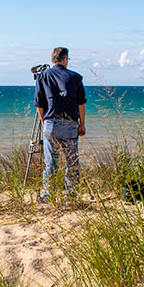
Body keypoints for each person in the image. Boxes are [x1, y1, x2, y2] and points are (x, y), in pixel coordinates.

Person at [33, 46, 87, 202]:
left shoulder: (43, 76)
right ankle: (71, 196)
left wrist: (45, 123)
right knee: (72, 162)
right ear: (65, 60)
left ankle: (49, 196)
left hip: (51, 123)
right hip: (70, 123)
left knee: (51, 163)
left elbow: (39, 104)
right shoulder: (76, 77)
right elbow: (80, 104)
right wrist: (81, 124)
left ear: (53, 60)